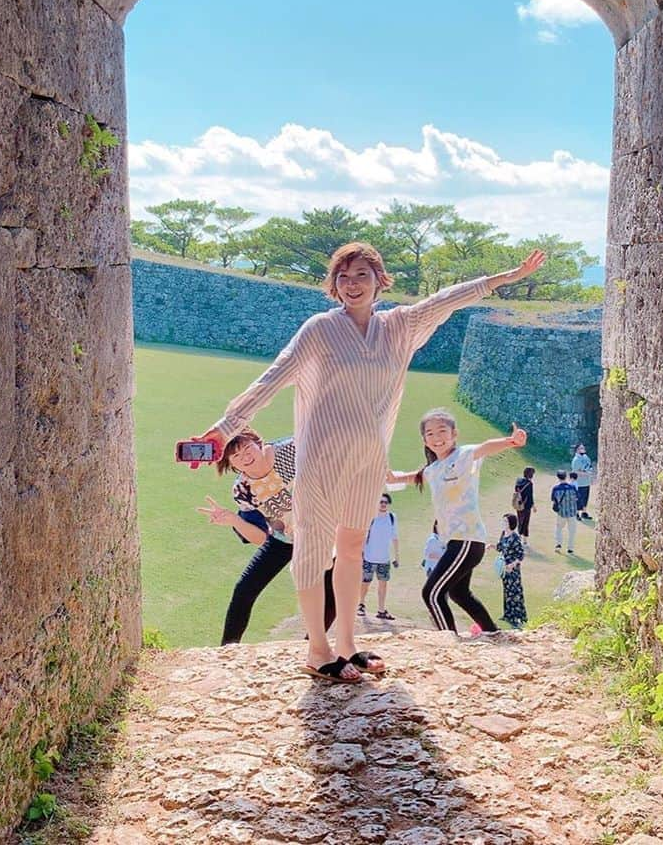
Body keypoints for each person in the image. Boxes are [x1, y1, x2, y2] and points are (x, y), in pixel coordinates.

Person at [191, 241, 546, 682]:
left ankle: (347, 643)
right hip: (320, 457)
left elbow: (445, 301)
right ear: (333, 285)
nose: (352, 284)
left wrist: (502, 279)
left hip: (367, 459)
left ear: (380, 280)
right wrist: (225, 429)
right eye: (343, 276)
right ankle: (318, 651)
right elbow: (273, 377)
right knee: (314, 551)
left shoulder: (399, 326)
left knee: (352, 549)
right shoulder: (319, 329)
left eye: (362, 275)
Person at [197, 429, 383, 678]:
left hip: (323, 532)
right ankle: (227, 653)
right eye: (235, 456)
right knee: (244, 589)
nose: (244, 457)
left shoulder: (290, 450)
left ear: (258, 442)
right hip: (284, 539)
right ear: (230, 464)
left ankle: (324, 650)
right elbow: (261, 537)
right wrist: (232, 519)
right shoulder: (242, 489)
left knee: (332, 590)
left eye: (247, 448)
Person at [390, 409, 528, 635]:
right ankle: (492, 633)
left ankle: (448, 640)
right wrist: (393, 478)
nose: (437, 438)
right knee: (458, 593)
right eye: (430, 433)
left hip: (467, 539)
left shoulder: (463, 456)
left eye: (442, 431)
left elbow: (484, 447)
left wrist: (511, 441)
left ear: (455, 434)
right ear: (424, 439)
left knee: (432, 593)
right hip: (455, 542)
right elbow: (414, 477)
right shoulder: (433, 469)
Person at [359, 493, 400, 621]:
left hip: (384, 559)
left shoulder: (392, 518)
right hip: (369, 557)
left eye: (386, 502)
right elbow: (363, 537)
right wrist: (361, 554)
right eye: (381, 502)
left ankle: (381, 610)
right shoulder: (371, 518)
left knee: (383, 585)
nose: (383, 504)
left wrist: (397, 556)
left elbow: (395, 538)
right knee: (365, 583)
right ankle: (361, 604)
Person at [495, 513, 527, 628]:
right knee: (507, 592)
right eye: (503, 521)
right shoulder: (503, 534)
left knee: (515, 593)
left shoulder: (515, 537)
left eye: (505, 522)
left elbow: (521, 555)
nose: (503, 524)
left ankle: (517, 618)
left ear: (511, 523)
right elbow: (500, 547)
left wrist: (512, 565)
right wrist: (491, 546)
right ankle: (508, 615)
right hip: (504, 569)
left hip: (513, 570)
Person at [551, 470, 579, 554]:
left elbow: (553, 500)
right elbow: (577, 498)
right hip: (572, 512)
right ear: (566, 477)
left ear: (558, 477)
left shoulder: (556, 489)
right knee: (572, 531)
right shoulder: (572, 487)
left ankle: (558, 544)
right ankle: (570, 548)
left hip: (561, 512)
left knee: (559, 528)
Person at [571, 443, 594, 521]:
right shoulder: (576, 460)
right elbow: (576, 471)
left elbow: (590, 466)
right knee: (579, 498)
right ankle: (576, 513)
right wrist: (586, 473)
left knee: (585, 498)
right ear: (577, 450)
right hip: (579, 483)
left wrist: (588, 473)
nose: (583, 449)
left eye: (583, 448)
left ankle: (584, 512)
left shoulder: (586, 457)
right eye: (581, 448)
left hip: (586, 482)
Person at [514, 466, 536, 544]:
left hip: (518, 504)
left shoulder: (518, 480)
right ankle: (524, 539)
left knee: (520, 520)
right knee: (526, 522)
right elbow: (530, 496)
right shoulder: (529, 484)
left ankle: (519, 537)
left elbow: (516, 490)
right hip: (526, 505)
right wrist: (533, 506)